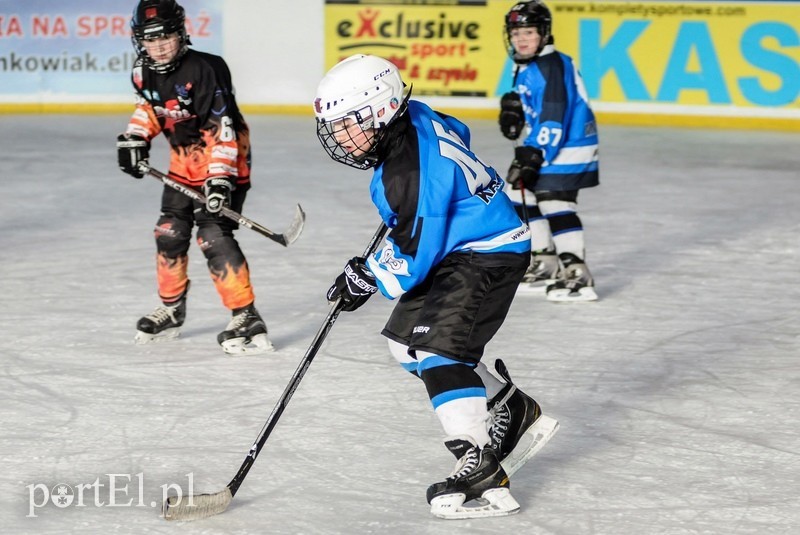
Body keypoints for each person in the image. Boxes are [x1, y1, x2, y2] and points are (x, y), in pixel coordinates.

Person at [314, 54, 559, 519]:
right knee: (406, 348)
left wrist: (367, 277)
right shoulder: (415, 114)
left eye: (348, 124)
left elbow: (414, 253)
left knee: (439, 355)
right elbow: (457, 130)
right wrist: (428, 208)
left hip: (489, 251)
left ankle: (481, 464)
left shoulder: (407, 173)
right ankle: (512, 407)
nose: (341, 138)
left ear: (381, 110)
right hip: (461, 243)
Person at [116, 0, 272, 355]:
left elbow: (223, 127)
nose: (157, 47)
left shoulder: (206, 69)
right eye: (148, 39)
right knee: (169, 232)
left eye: (165, 37)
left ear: (181, 33)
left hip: (226, 161)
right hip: (182, 164)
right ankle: (172, 309)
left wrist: (220, 178)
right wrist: (136, 137)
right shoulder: (142, 71)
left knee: (213, 234)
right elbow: (151, 108)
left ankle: (245, 315)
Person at [500, 0, 600, 301]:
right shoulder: (528, 65)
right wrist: (514, 110)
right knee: (518, 192)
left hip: (569, 145)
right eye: (516, 33)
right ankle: (546, 262)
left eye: (528, 32)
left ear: (543, 33)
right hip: (552, 143)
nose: (521, 39)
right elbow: (534, 107)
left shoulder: (551, 65)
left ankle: (578, 274)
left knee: (554, 201)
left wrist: (534, 154)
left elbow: (554, 115)